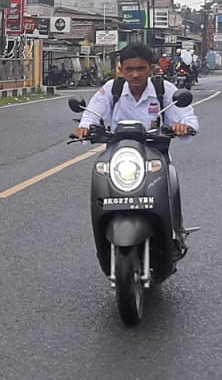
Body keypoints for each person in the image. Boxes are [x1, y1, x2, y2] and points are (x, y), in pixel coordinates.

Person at [76, 42, 199, 246]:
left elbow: (186, 116)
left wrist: (183, 126)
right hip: (118, 156)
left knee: (172, 180)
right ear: (121, 69)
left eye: (141, 69)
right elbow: (92, 113)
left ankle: (176, 232)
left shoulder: (163, 90)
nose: (135, 75)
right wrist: (84, 128)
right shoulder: (112, 89)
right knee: (100, 181)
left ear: (151, 68)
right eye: (129, 69)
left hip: (156, 155)